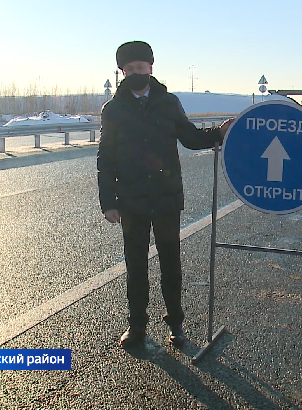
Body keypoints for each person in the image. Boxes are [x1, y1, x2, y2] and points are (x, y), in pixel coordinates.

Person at [97, 41, 232, 348]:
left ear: (151, 68)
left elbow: (191, 137)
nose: (135, 73)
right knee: (136, 267)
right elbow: (105, 159)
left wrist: (219, 134)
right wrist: (108, 203)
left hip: (166, 197)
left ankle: (176, 325)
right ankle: (137, 327)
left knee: (171, 264)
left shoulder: (168, 102)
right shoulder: (113, 109)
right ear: (121, 72)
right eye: (129, 69)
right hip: (131, 201)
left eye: (140, 68)